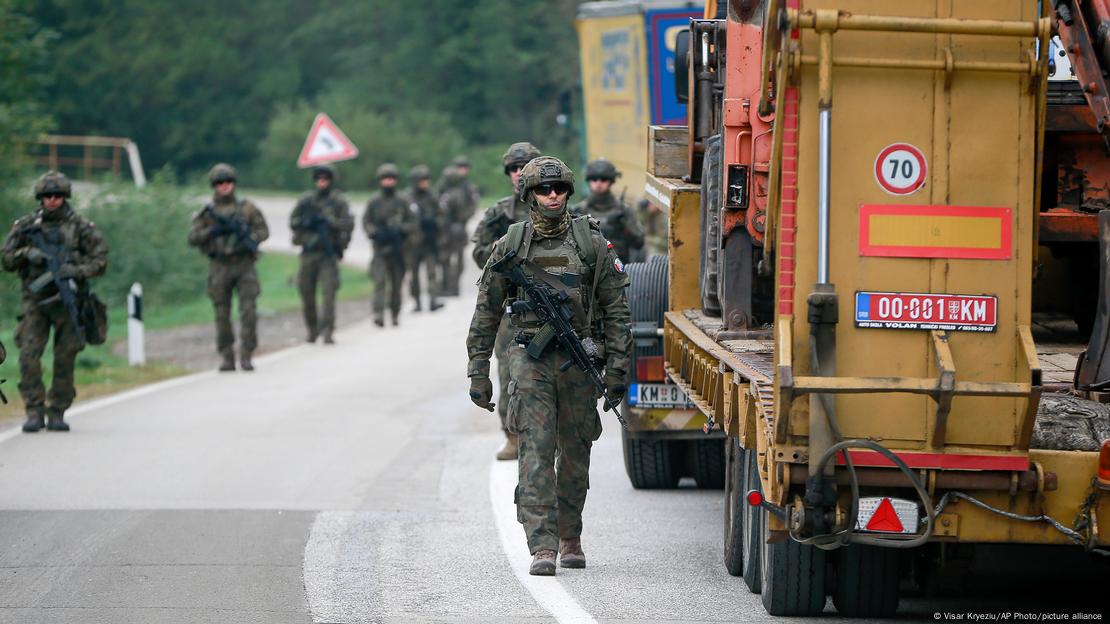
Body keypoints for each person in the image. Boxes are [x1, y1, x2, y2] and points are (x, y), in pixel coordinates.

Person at [466, 157, 632, 575]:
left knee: (575, 450)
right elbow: (486, 312)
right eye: (544, 189)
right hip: (529, 355)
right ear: (530, 195)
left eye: (559, 188)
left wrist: (616, 371)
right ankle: (542, 544)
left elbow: (616, 310)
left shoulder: (591, 242)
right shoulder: (512, 244)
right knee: (536, 447)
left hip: (580, 357)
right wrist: (478, 370)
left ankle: (569, 535)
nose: (553, 195)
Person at [1, 171, 108, 431]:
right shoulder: (27, 227)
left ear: (65, 197)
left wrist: (77, 271)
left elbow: (100, 259)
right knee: (28, 356)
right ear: (40, 198)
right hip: (35, 301)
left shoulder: (80, 227)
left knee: (65, 357)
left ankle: (57, 410)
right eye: (47, 196)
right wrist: (27, 253)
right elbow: (5, 259)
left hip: (67, 300)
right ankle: (34, 410)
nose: (52, 200)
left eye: (57, 196)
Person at [470, 141, 541, 460]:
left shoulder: (554, 202)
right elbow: (478, 252)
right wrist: (504, 258)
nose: (517, 174)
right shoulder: (499, 213)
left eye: (523, 167)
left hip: (550, 306)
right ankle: (512, 435)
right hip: (510, 307)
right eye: (513, 169)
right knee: (508, 374)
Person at [187, 163, 269, 371]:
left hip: (244, 264)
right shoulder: (207, 213)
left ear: (234, 184)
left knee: (248, 311)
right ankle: (227, 356)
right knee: (221, 314)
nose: (225, 186)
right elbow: (193, 238)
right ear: (214, 186)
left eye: (228, 182)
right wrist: (212, 231)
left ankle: (247, 354)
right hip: (219, 265)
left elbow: (263, 231)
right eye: (220, 183)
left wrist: (247, 238)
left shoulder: (247, 208)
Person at [291, 164, 354, 344]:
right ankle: (312, 329)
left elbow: (347, 224)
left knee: (328, 294)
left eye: (326, 179)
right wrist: (308, 223)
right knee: (306, 294)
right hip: (309, 253)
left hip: (328, 254)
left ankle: (328, 331)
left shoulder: (338, 202)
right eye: (319, 179)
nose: (322, 182)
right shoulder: (306, 201)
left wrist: (330, 221)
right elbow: (294, 222)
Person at [363, 163, 414, 327]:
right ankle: (378, 313)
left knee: (396, 284)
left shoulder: (402, 201)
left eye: (391, 179)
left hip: (399, 250)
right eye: (385, 179)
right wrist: (374, 232)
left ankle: (394, 313)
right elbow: (366, 221)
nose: (388, 182)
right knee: (379, 282)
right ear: (380, 181)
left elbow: (412, 222)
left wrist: (401, 230)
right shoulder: (374, 201)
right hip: (380, 249)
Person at [571, 158, 645, 263]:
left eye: (603, 179)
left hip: (618, 265)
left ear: (611, 181)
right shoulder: (578, 211)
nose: (599, 183)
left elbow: (639, 243)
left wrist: (626, 226)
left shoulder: (624, 211)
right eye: (594, 179)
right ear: (589, 181)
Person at [406, 164, 444, 313]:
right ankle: (416, 302)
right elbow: (403, 219)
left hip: (429, 241)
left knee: (432, 272)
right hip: (413, 243)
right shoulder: (407, 198)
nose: (425, 182)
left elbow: (441, 216)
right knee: (414, 275)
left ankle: (433, 300)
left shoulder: (433, 196)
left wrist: (434, 224)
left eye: (427, 179)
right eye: (422, 180)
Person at [438, 161, 478, 296]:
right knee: (446, 258)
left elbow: (471, 208)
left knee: (455, 257)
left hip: (458, 227)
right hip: (447, 228)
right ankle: (447, 285)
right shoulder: (443, 190)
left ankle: (453, 285)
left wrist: (461, 220)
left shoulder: (465, 189)